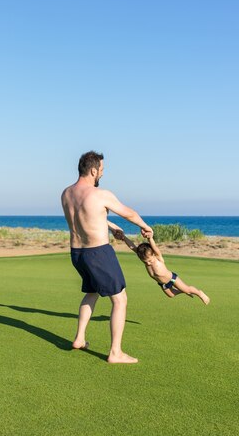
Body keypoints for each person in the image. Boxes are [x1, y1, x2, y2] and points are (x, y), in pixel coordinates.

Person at [61, 151, 153, 364]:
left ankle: (79, 338)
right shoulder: (99, 194)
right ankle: (115, 353)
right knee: (120, 299)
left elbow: (85, 217)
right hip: (98, 253)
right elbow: (128, 213)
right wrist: (145, 227)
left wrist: (108, 225)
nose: (102, 173)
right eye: (101, 169)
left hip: (77, 253)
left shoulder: (66, 193)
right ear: (93, 170)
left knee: (91, 293)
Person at [114, 224, 211, 305]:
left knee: (188, 289)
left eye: (149, 260)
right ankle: (183, 291)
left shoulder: (158, 257)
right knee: (171, 295)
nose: (148, 263)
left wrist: (150, 238)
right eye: (145, 261)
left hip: (172, 279)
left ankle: (200, 293)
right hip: (162, 283)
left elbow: (154, 247)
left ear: (153, 255)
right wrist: (124, 238)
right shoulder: (144, 259)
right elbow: (132, 247)